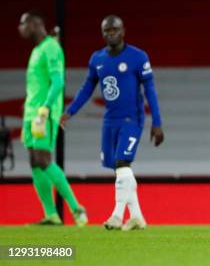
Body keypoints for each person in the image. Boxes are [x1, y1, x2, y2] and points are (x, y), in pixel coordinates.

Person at [61, 15, 163, 231]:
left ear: (123, 31)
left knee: (122, 164)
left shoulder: (138, 57)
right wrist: (70, 111)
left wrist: (157, 121)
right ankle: (137, 217)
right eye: (106, 30)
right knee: (120, 169)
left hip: (131, 120)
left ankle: (116, 216)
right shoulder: (97, 59)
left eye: (114, 29)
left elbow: (150, 90)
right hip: (110, 121)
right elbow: (87, 88)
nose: (110, 34)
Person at [18, 11, 87, 226]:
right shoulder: (38, 50)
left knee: (43, 159)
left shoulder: (50, 48)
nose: (20, 28)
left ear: (35, 24)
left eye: (23, 24)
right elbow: (39, 84)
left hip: (42, 114)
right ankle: (51, 215)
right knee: (34, 162)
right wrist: (28, 107)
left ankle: (77, 209)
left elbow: (58, 82)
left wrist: (45, 108)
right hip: (31, 113)